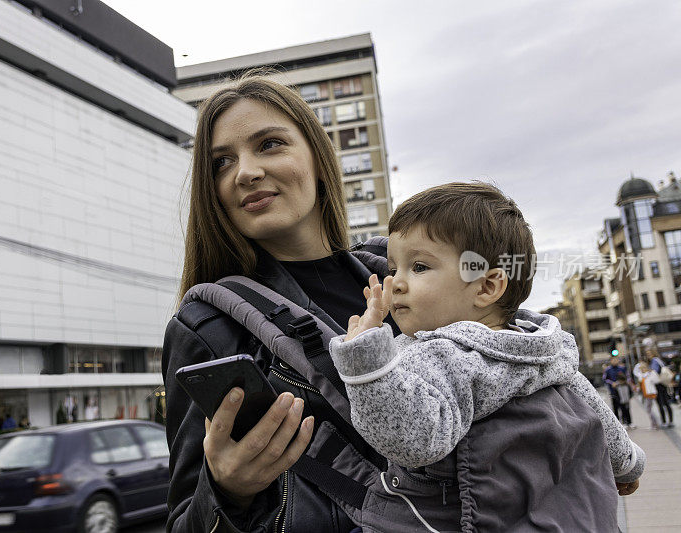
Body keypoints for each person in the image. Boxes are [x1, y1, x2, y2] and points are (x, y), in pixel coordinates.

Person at [162, 75, 627, 533]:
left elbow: (525, 360)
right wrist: (226, 491)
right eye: (222, 162)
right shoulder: (206, 326)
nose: (244, 172)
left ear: (319, 158)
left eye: (269, 144)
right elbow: (186, 520)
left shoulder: (415, 274)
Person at [329, 184, 644, 484]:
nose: (395, 282)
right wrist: (628, 465)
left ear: (486, 287)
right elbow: (594, 410)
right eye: (394, 268)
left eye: (420, 267)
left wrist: (366, 358)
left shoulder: (444, 354)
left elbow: (411, 442)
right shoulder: (543, 348)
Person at [604, 355, 635, 427]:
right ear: (610, 361)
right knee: (616, 407)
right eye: (613, 360)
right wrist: (612, 383)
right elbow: (605, 379)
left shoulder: (623, 368)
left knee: (626, 406)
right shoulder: (608, 370)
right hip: (614, 392)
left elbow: (628, 377)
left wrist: (624, 382)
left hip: (623, 391)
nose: (615, 361)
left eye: (616, 360)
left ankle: (629, 422)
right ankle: (619, 424)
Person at [649, 350, 675, 427]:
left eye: (649, 353)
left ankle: (664, 422)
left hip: (659, 385)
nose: (648, 355)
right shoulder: (660, 360)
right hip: (664, 384)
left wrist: (650, 372)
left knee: (661, 404)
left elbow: (655, 371)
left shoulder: (654, 360)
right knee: (667, 403)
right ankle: (670, 421)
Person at [634, 359, 661, 430]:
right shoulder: (641, 376)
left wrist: (652, 374)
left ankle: (655, 424)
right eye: (641, 368)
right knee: (649, 409)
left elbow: (657, 381)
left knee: (649, 409)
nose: (642, 370)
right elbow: (635, 372)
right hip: (645, 394)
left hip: (651, 394)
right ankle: (654, 424)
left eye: (643, 368)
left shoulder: (650, 374)